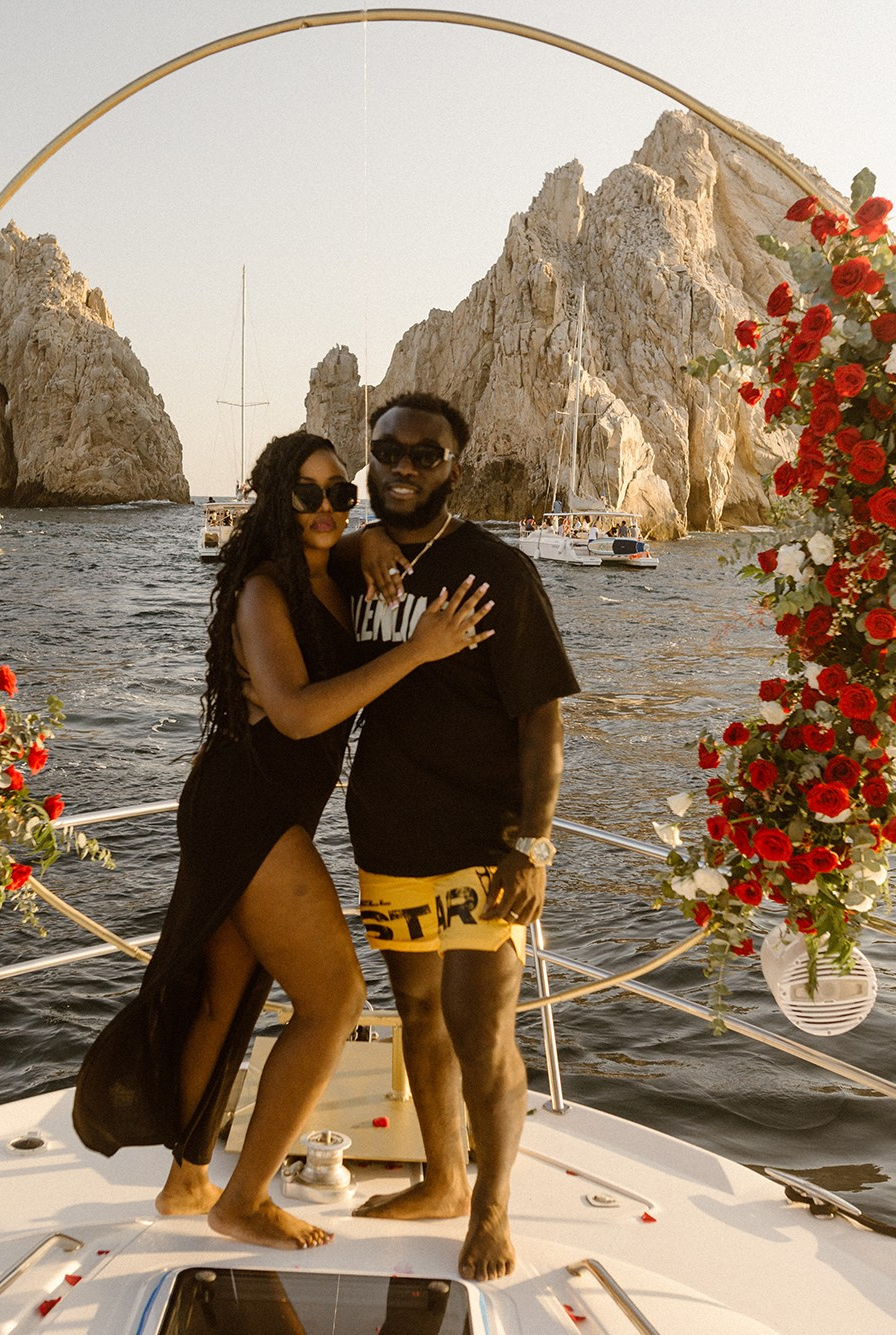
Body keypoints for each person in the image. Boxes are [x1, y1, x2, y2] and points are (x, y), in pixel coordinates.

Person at [73, 431, 493, 1249]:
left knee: (228, 997)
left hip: (263, 807)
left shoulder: (325, 572)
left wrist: (368, 539)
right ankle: (246, 1198)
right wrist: (420, 650)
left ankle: (190, 1178)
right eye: (307, 494)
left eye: (340, 493)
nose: (327, 508)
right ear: (274, 501)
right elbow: (297, 711)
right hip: (248, 808)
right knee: (335, 1000)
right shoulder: (265, 591)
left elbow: (364, 543)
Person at [332, 393, 580, 1280]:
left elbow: (542, 721)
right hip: (388, 834)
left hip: (486, 841)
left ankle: (492, 1206)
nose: (402, 467)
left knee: (484, 1031)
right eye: (387, 450)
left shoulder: (497, 573)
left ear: (454, 467)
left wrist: (536, 844)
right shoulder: (353, 565)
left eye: (424, 456)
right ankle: (441, 1180)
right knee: (419, 1017)